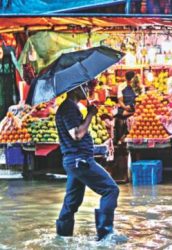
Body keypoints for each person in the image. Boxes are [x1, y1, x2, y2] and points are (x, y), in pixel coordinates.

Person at [55, 84, 127, 243]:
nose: (86, 89)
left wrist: (88, 113)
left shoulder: (69, 107)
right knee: (110, 190)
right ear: (74, 88)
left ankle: (62, 238)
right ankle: (106, 234)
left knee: (72, 201)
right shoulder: (68, 108)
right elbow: (77, 134)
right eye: (83, 87)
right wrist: (90, 115)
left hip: (75, 160)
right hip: (79, 160)